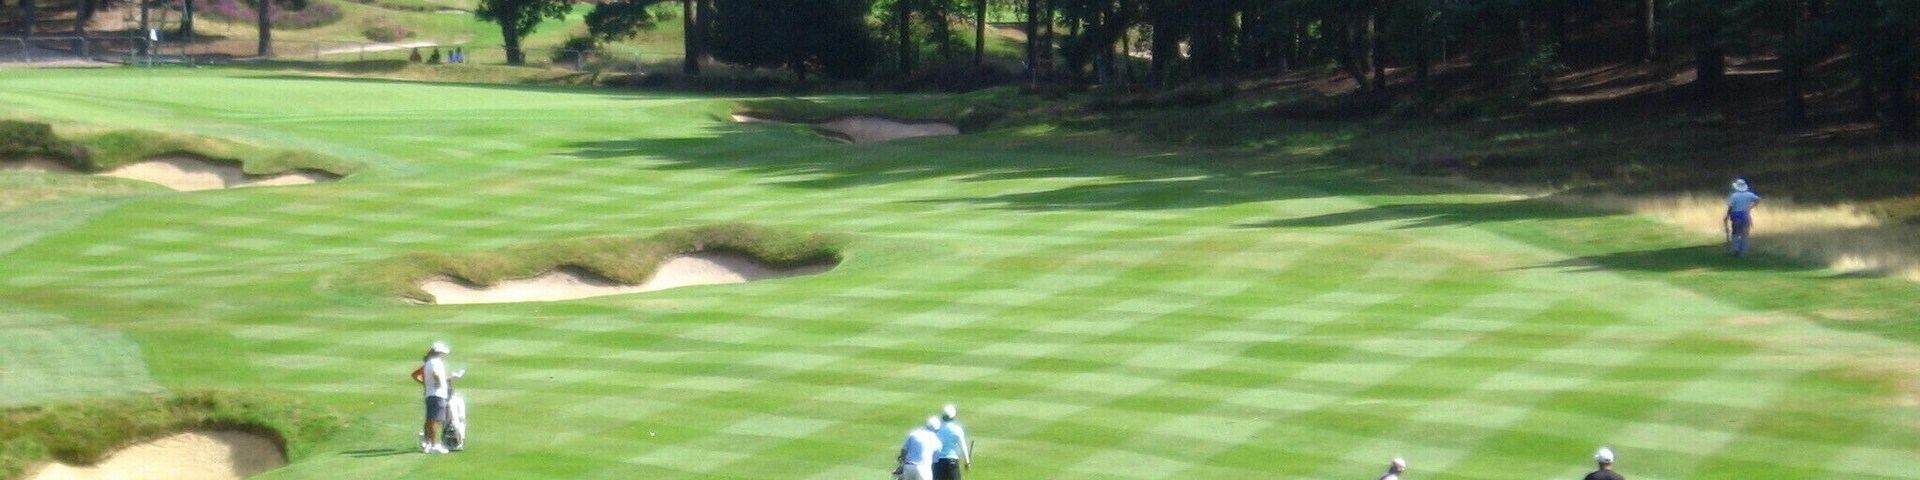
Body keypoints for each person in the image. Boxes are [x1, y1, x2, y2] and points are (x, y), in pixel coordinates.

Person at [414, 341, 464, 454]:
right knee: (435, 420)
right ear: (439, 353)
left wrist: (451, 376)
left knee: (430, 420)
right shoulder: (436, 362)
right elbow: (436, 375)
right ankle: (432, 444)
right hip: (437, 394)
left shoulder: (429, 362)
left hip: (430, 394)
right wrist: (441, 384)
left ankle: (427, 443)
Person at [1724, 177, 1761, 257]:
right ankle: (1742, 252)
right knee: (1745, 234)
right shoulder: (1749, 194)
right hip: (1745, 215)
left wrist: (1727, 216)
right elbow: (1758, 199)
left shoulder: (1734, 196)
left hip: (1736, 216)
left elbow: (1730, 207)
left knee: (1735, 233)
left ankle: (1736, 249)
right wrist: (1750, 207)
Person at [933, 404, 972, 480]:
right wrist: (967, 462)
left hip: (938, 462)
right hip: (952, 463)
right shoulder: (957, 429)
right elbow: (963, 447)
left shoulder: (937, 428)